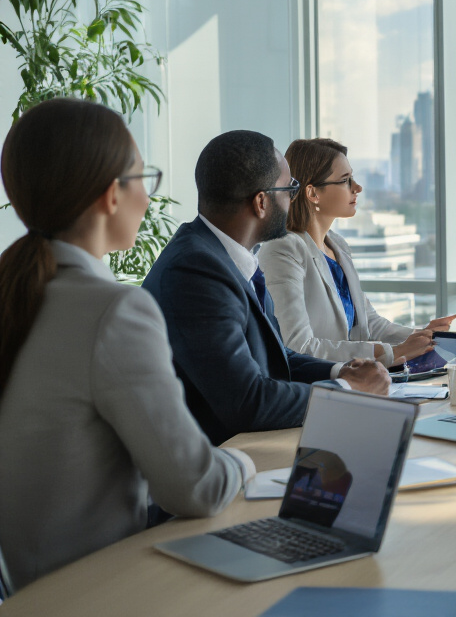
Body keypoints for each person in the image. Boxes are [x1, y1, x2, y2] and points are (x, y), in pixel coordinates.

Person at [0, 99, 253, 592]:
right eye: (144, 178)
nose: (149, 198)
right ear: (110, 194)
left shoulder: (16, 294)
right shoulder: (114, 311)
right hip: (107, 588)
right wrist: (247, 462)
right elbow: (196, 488)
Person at [143, 130, 389, 446]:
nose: (293, 199)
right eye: (289, 189)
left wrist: (341, 373)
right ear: (262, 202)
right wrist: (349, 392)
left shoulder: (224, 258)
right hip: (225, 464)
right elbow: (247, 401)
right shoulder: (194, 273)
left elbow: (275, 357)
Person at [258, 137, 456, 364]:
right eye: (345, 180)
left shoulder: (338, 246)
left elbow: (370, 323)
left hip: (356, 380)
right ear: (313, 193)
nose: (357, 188)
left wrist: (422, 336)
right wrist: (391, 352)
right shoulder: (282, 250)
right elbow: (297, 345)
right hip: (318, 387)